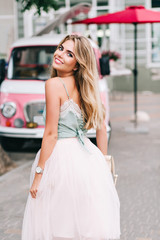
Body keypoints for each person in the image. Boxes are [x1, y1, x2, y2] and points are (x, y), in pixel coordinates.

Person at [21, 34, 120, 240]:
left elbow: (50, 134)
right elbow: (102, 128)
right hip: (88, 157)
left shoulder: (54, 84)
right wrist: (101, 164)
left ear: (77, 64)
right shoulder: (90, 88)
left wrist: (39, 175)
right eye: (60, 48)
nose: (59, 54)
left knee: (57, 223)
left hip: (60, 158)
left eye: (69, 54)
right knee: (83, 224)